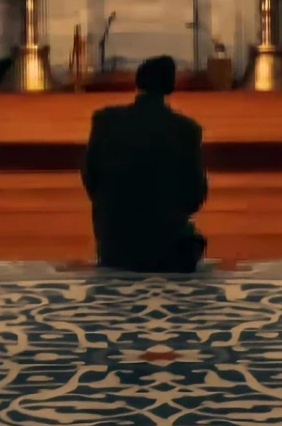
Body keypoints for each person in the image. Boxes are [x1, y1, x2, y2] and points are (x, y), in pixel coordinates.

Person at [82, 53, 208, 273]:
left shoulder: (105, 121)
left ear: (138, 81)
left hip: (114, 247)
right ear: (170, 86)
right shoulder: (186, 129)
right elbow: (194, 197)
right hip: (167, 250)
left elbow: (91, 178)